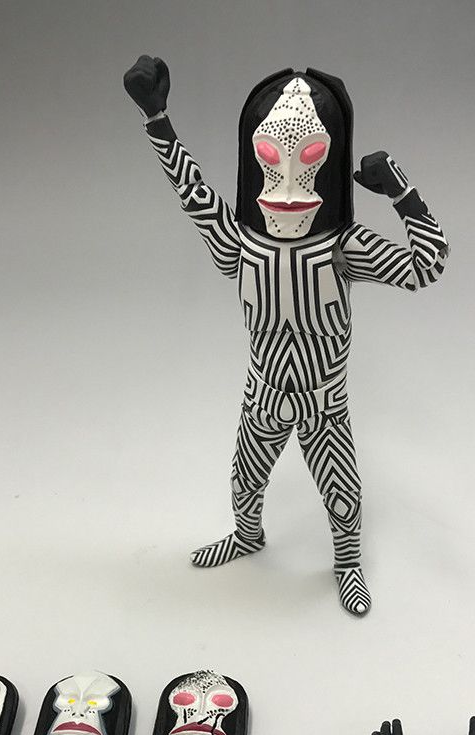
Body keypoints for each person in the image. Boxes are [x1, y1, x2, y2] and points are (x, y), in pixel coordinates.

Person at [124, 56, 448, 615]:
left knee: (343, 497)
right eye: (273, 159)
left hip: (325, 404)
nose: (291, 185)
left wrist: (401, 191)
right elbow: (192, 192)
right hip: (263, 397)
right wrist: (157, 120)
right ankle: (247, 536)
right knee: (243, 482)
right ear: (254, 159)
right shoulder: (241, 243)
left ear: (329, 161)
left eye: (311, 158)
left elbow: (426, 265)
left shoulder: (342, 246)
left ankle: (347, 562)